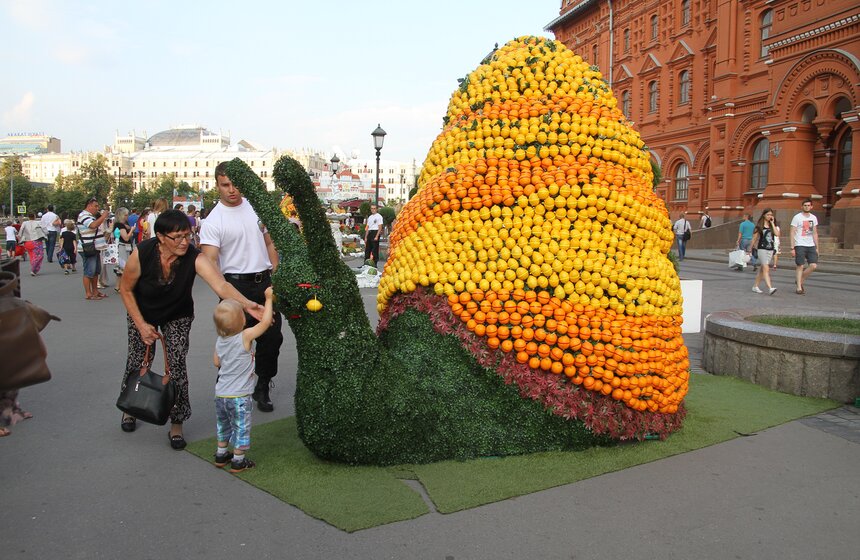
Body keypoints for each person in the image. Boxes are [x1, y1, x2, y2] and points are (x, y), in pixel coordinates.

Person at [117, 210, 265, 448]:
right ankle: (130, 407)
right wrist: (142, 324)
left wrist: (248, 306)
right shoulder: (142, 253)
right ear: (161, 237)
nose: (185, 241)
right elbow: (125, 289)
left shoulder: (194, 257)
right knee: (137, 359)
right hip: (142, 311)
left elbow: (221, 285)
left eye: (187, 235)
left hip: (178, 313)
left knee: (176, 365)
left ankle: (177, 422)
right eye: (177, 237)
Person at [199, 162, 283, 413]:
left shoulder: (256, 209)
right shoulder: (213, 220)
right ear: (217, 185)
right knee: (233, 339)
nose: (232, 190)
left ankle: (263, 385)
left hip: (264, 281)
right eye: (225, 185)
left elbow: (270, 244)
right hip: (234, 285)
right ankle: (225, 387)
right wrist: (224, 293)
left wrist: (276, 274)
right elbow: (210, 261)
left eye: (235, 184)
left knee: (272, 337)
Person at [211, 286, 275, 472]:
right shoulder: (244, 337)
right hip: (239, 395)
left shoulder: (220, 340)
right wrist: (268, 299)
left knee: (224, 424)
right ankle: (239, 460)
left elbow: (216, 362)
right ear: (241, 321)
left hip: (221, 393)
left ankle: (221, 453)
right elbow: (264, 324)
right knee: (241, 427)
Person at [77, 197, 109, 300]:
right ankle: (89, 293)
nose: (97, 208)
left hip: (94, 247)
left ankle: (95, 291)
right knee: (89, 271)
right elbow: (93, 225)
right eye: (96, 206)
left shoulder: (90, 216)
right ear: (89, 205)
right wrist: (103, 216)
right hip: (88, 247)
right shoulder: (83, 216)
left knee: (95, 271)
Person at [790, 198, 819, 295]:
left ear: (811, 206)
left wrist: (817, 247)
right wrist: (792, 247)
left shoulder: (814, 218)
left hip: (810, 244)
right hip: (799, 244)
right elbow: (792, 232)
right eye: (805, 205)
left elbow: (814, 233)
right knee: (800, 265)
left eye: (808, 205)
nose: (807, 207)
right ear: (802, 207)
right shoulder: (797, 217)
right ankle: (799, 287)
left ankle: (800, 279)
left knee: (813, 265)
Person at [748, 208, 778, 295]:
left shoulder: (773, 224)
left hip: (770, 249)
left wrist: (772, 223)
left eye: (771, 215)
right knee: (766, 268)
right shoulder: (759, 226)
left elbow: (777, 234)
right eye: (768, 215)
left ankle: (755, 286)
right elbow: (754, 238)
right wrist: (750, 249)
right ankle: (770, 288)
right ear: (764, 215)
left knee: (762, 269)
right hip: (762, 249)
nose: (770, 216)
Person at [113, 207, 135, 278]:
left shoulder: (120, 224)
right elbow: (126, 238)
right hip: (123, 247)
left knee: (121, 268)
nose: (127, 216)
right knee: (123, 267)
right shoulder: (120, 225)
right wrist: (132, 230)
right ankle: (122, 286)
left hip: (123, 247)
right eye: (126, 215)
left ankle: (118, 287)